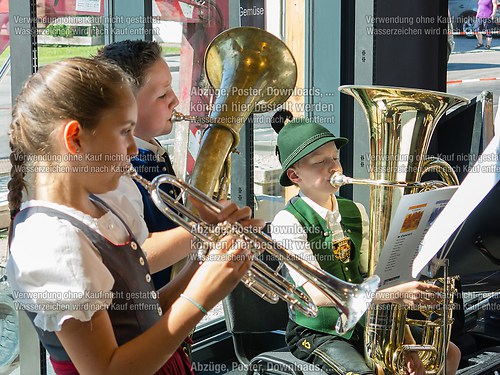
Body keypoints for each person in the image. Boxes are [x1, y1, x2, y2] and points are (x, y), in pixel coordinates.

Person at [6, 57, 257, 375]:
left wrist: (206, 261)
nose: (133, 149)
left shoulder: (96, 213)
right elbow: (108, 370)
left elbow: (148, 313)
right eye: (124, 131)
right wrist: (200, 297)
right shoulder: (52, 241)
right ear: (74, 139)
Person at [270, 118, 461, 375]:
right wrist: (392, 295)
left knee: (447, 353)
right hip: (318, 332)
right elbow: (314, 296)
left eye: (335, 158)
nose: (333, 167)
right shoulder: (287, 221)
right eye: (319, 162)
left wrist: (408, 342)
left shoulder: (355, 211)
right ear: (295, 175)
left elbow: (375, 278)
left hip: (363, 321)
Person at [95, 40, 182, 290]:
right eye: (163, 94)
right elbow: (139, 255)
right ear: (126, 106)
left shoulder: (151, 150)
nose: (174, 100)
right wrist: (203, 231)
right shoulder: (115, 175)